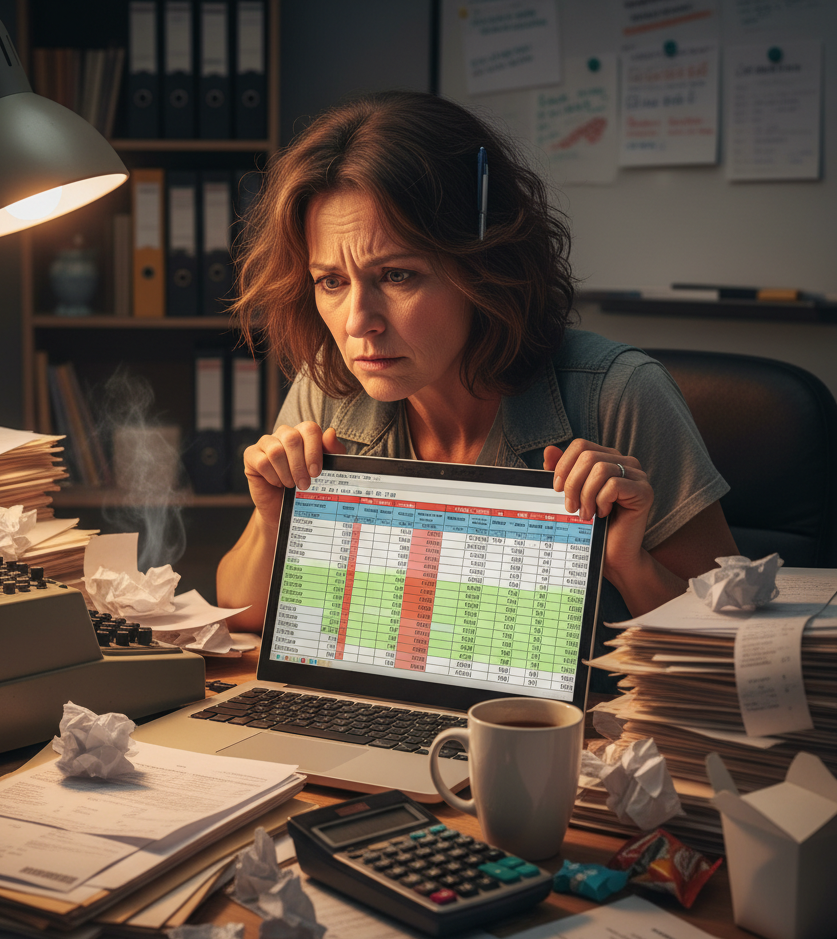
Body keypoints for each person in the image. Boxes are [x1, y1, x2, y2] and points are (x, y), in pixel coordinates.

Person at [216, 91, 737, 662]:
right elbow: (242, 617)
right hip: (387, 721)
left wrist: (628, 566)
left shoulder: (620, 393)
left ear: (483, 268)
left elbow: (726, 653)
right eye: (331, 282)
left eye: (395, 275)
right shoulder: (328, 390)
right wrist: (273, 521)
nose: (358, 323)